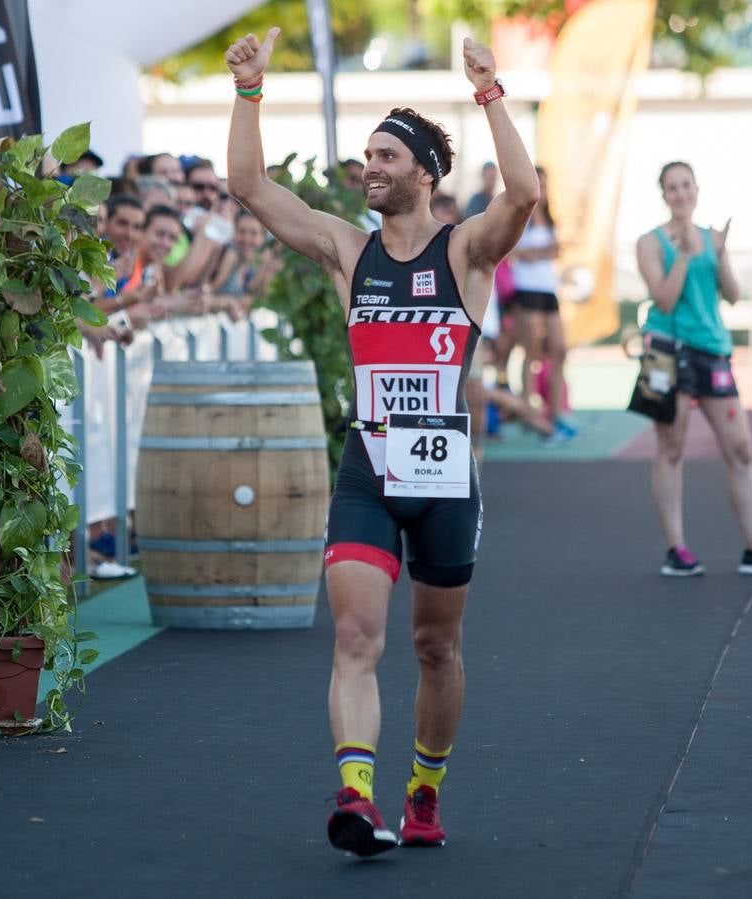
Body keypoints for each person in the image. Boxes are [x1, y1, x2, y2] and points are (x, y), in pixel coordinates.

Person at [226, 27, 538, 856]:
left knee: (436, 645)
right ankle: (356, 798)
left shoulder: (464, 252)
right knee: (355, 637)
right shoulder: (346, 249)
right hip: (368, 467)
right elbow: (249, 184)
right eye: (365, 155)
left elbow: (523, 194)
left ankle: (424, 792)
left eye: (385, 155)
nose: (369, 167)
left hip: (443, 481)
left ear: (423, 173)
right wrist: (249, 90)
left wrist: (488, 91)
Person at [636, 161, 752, 578]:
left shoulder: (712, 238)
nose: (681, 194)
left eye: (686, 185)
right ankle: (676, 549)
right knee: (671, 449)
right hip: (668, 350)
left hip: (711, 350)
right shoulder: (650, 242)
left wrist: (720, 252)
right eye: (672, 188)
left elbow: (731, 295)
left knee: (741, 449)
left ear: (696, 189)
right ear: (663, 194)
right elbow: (665, 301)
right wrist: (684, 257)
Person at [509, 165, 574, 442]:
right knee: (532, 353)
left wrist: (538, 252)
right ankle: (528, 413)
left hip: (548, 291)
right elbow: (513, 251)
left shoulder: (550, 219)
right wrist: (536, 252)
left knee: (559, 350)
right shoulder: (518, 218)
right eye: (539, 184)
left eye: (545, 185)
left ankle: (557, 414)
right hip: (526, 292)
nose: (543, 190)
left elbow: (557, 250)